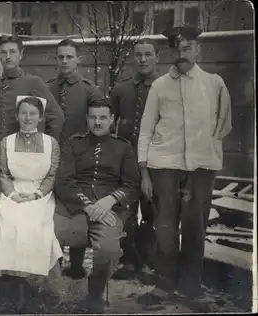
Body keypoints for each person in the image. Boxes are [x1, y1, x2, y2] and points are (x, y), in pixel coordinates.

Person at [136, 26, 232, 305]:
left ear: (198, 50)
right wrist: (144, 171)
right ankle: (164, 284)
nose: (182, 54)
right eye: (177, 49)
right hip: (164, 166)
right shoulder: (159, 86)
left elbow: (224, 126)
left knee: (195, 228)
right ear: (171, 52)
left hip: (201, 169)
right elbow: (145, 131)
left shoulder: (214, 84)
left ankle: (190, 288)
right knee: (164, 226)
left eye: (187, 48)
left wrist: (207, 154)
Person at [54, 98, 141, 313]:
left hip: (108, 209)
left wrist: (110, 200)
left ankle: (95, 293)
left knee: (110, 249)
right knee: (48, 236)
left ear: (112, 120)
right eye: (93, 117)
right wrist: (88, 206)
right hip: (74, 207)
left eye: (103, 117)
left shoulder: (123, 146)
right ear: (86, 119)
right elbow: (64, 181)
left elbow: (132, 185)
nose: (97, 122)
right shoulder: (73, 143)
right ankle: (51, 292)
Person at [0, 96, 63, 307]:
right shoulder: (7, 142)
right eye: (23, 113)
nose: (28, 118)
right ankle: (16, 284)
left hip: (40, 195)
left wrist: (37, 195)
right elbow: (3, 173)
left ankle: (34, 281)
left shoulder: (52, 143)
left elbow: (52, 175)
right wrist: (13, 194)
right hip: (13, 193)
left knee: (37, 226)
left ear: (40, 117)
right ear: (17, 115)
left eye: (33, 113)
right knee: (8, 223)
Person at [46, 38, 106, 280]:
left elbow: (98, 124)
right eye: (60, 56)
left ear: (78, 59)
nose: (64, 61)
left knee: (78, 206)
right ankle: (56, 262)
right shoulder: (47, 88)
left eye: (69, 56)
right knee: (54, 210)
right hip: (52, 154)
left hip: (80, 159)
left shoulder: (89, 89)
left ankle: (78, 264)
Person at [109, 39, 160, 280]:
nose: (142, 59)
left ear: (156, 57)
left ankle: (149, 262)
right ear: (132, 58)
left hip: (155, 162)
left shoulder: (164, 86)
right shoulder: (121, 88)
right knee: (126, 211)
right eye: (138, 55)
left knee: (152, 211)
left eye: (148, 54)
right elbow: (111, 122)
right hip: (126, 162)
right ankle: (128, 260)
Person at [0, 35, 64, 141]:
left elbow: (56, 117)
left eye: (12, 51)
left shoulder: (34, 83)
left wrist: (45, 145)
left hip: (25, 150)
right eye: (3, 52)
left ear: (21, 54)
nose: (8, 56)